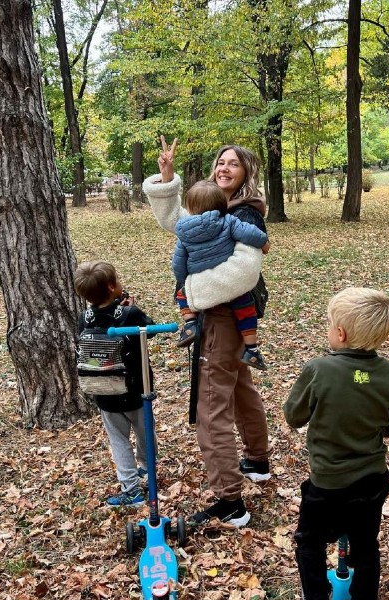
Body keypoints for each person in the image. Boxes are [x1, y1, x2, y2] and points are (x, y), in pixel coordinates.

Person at [143, 138, 272, 527]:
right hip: (224, 320)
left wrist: (192, 294)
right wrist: (167, 180)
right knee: (240, 386)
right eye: (221, 162)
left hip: (220, 318)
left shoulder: (245, 215)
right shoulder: (217, 209)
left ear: (247, 172)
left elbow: (244, 273)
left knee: (211, 405)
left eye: (234, 163)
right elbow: (177, 222)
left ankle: (230, 500)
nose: (224, 167)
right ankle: (257, 461)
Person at [283, 288, 389, 600]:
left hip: (327, 484)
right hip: (371, 482)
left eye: (329, 323)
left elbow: (293, 416)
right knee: (366, 547)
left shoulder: (318, 370)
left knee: (309, 543)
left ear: (340, 333)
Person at [74, 261, 156, 508]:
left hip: (104, 391)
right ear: (112, 287)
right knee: (145, 431)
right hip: (136, 391)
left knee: (118, 440)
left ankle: (130, 489)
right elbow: (149, 330)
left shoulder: (84, 318)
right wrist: (134, 310)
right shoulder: (129, 314)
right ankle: (147, 467)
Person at [173, 180, 269, 370]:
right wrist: (264, 242)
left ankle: (190, 323)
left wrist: (185, 281)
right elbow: (250, 233)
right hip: (229, 285)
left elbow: (178, 263)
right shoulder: (228, 221)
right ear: (222, 205)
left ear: (190, 208)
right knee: (246, 308)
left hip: (200, 282)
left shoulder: (184, 231)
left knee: (182, 295)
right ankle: (252, 349)